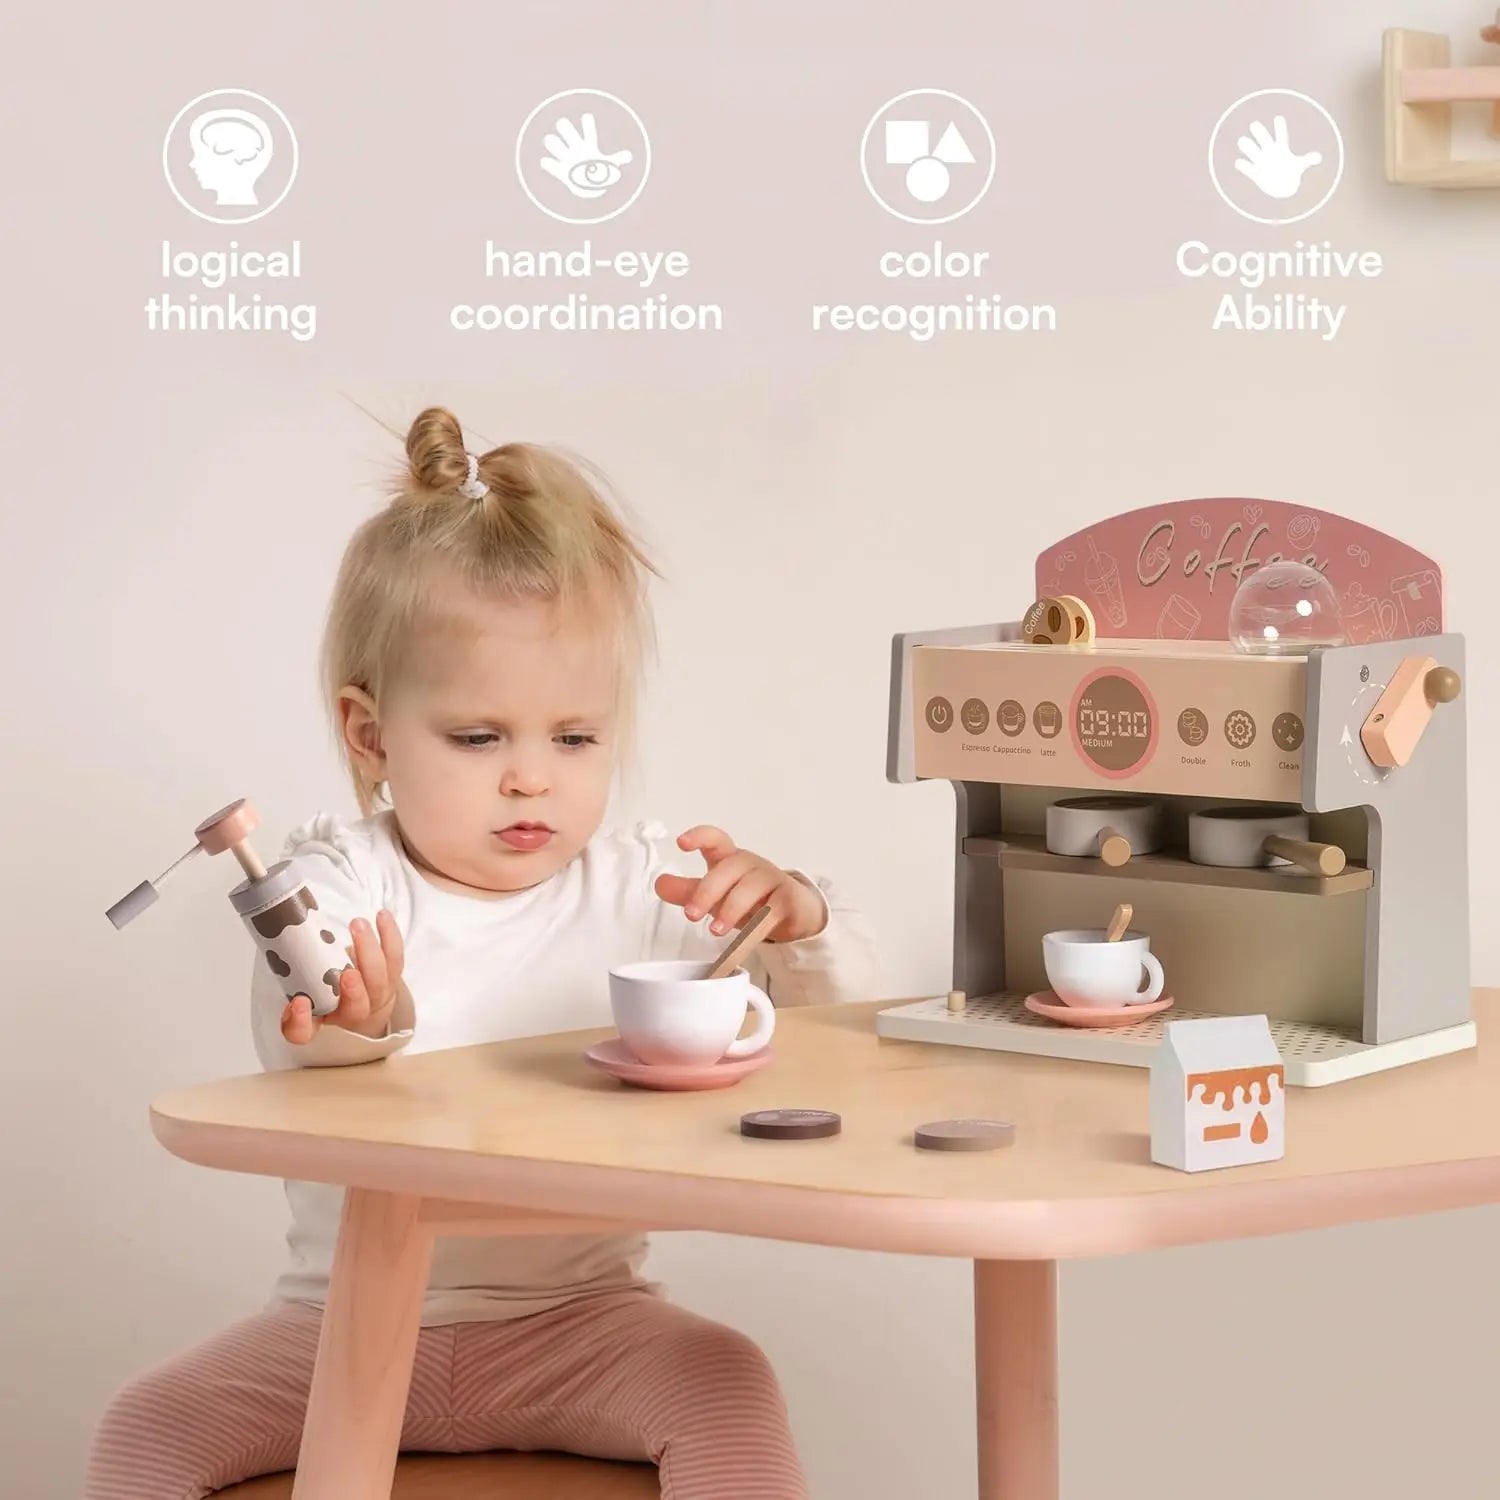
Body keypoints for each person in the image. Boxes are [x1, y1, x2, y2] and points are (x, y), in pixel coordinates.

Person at [84, 406, 881, 1499]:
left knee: (725, 1380)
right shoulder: (340, 879)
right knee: (145, 1431)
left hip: (584, 1325)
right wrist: (358, 1024)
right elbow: (298, 1014)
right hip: (344, 1325)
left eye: (574, 737)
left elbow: (847, 1038)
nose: (530, 777)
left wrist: (796, 924)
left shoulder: (650, 882)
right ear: (371, 735)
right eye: (477, 737)